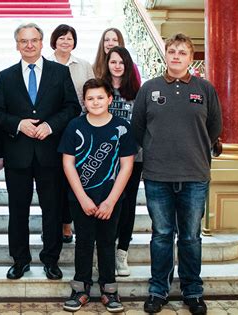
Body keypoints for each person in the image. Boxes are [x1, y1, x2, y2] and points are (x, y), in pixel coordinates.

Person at [131, 33, 222, 315]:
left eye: (182, 52)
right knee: (161, 236)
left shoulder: (205, 89)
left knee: (191, 237)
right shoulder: (149, 88)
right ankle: (158, 290)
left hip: (195, 175)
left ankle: (192, 291)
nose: (176, 56)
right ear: (165, 55)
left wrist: (193, 150)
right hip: (158, 175)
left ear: (191, 57)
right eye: (172, 51)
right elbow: (137, 128)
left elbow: (215, 127)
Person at [0, 23, 80, 281]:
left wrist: (51, 126)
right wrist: (19, 124)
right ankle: (20, 261)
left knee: (52, 210)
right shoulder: (5, 76)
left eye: (34, 40)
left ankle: (51, 260)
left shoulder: (60, 72)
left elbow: (72, 107)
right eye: (23, 41)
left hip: (50, 154)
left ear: (42, 43)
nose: (29, 45)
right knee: (18, 211)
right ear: (17, 44)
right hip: (18, 154)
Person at [58, 78, 136, 313]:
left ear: (110, 99)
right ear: (84, 101)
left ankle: (109, 290)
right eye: (90, 98)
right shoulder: (75, 126)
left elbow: (127, 166)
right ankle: (80, 288)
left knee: (106, 242)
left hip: (110, 199)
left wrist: (111, 200)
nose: (95, 102)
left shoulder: (122, 127)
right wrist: (82, 197)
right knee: (83, 242)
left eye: (100, 97)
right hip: (81, 198)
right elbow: (68, 163)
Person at [48, 24, 95, 244]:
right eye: (62, 38)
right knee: (54, 180)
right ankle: (53, 223)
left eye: (70, 38)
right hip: (51, 129)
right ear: (54, 40)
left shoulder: (84, 65)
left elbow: (92, 93)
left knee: (74, 178)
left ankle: (68, 223)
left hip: (79, 127)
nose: (66, 42)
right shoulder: (45, 64)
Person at [101, 46, 141, 276]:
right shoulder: (99, 88)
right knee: (106, 203)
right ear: (107, 64)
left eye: (121, 62)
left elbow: (143, 125)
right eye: (113, 61)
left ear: (127, 66)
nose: (117, 66)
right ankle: (104, 251)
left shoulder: (137, 92)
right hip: (104, 158)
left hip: (133, 159)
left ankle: (121, 252)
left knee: (127, 205)